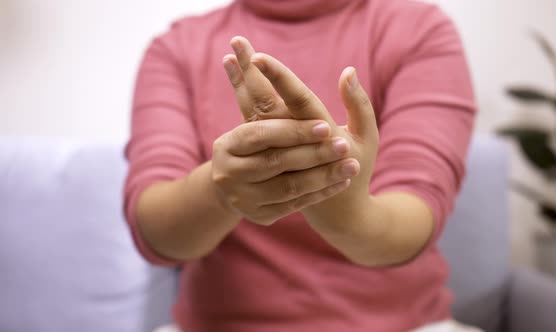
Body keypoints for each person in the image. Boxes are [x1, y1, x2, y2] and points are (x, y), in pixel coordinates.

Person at [124, 0, 478, 331]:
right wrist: (219, 191)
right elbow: (156, 231)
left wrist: (341, 203)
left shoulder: (418, 29)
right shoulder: (177, 48)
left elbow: (418, 211)